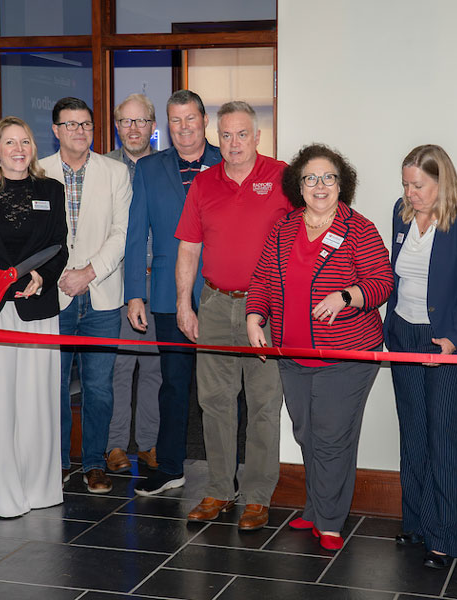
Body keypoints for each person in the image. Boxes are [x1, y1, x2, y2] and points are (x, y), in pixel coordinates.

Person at [247, 144, 393, 551]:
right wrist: (253, 317)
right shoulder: (284, 227)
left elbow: (382, 281)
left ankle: (330, 521)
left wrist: (346, 296)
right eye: (310, 178)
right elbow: (261, 280)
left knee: (331, 436)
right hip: (292, 354)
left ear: (341, 183)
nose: (320, 185)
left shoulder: (358, 228)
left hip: (344, 357)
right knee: (307, 434)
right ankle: (315, 507)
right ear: (298, 185)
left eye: (328, 177)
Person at [174, 101, 291, 530]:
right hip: (215, 304)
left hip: (267, 309)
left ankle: (258, 496)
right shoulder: (203, 184)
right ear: (215, 137)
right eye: (225, 135)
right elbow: (188, 247)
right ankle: (220, 489)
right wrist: (184, 304)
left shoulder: (281, 178)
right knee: (215, 401)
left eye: (242, 134)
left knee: (263, 403)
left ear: (258, 137)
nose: (234, 143)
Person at [0, 116, 69, 517]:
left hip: (36, 309)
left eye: (25, 142)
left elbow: (59, 248)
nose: (19, 149)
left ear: (32, 149)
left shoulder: (50, 190)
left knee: (38, 399)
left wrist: (41, 276)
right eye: (10, 143)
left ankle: (38, 489)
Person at [383, 144, 457, 568]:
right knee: (413, 434)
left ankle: (445, 535)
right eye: (406, 184)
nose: (411, 193)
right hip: (405, 335)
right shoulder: (401, 212)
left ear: (441, 181)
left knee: (444, 438)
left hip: (448, 341)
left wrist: (452, 338)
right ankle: (416, 522)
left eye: (419, 185)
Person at [124, 90, 222, 495]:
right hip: (166, 291)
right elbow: (135, 235)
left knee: (223, 389)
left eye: (190, 119)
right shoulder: (148, 169)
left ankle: (226, 473)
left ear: (203, 120)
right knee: (174, 383)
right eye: (175, 121)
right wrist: (134, 293)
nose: (183, 128)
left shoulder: (228, 161)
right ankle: (169, 467)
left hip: (222, 291)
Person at [40, 97, 131, 494]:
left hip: (101, 297)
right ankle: (57, 462)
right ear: (56, 130)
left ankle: (94, 463)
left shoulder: (116, 172)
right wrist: (61, 276)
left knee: (99, 387)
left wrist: (88, 272)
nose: (79, 131)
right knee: (53, 385)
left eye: (86, 125)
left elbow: (121, 233)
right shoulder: (36, 170)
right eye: (71, 124)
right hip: (50, 296)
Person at [105, 93, 162, 475]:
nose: (134, 129)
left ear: (154, 127)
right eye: (126, 121)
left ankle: (150, 444)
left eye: (141, 121)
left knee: (156, 369)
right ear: (117, 126)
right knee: (120, 367)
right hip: (117, 281)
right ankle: (114, 446)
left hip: (160, 283)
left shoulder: (165, 167)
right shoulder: (103, 167)